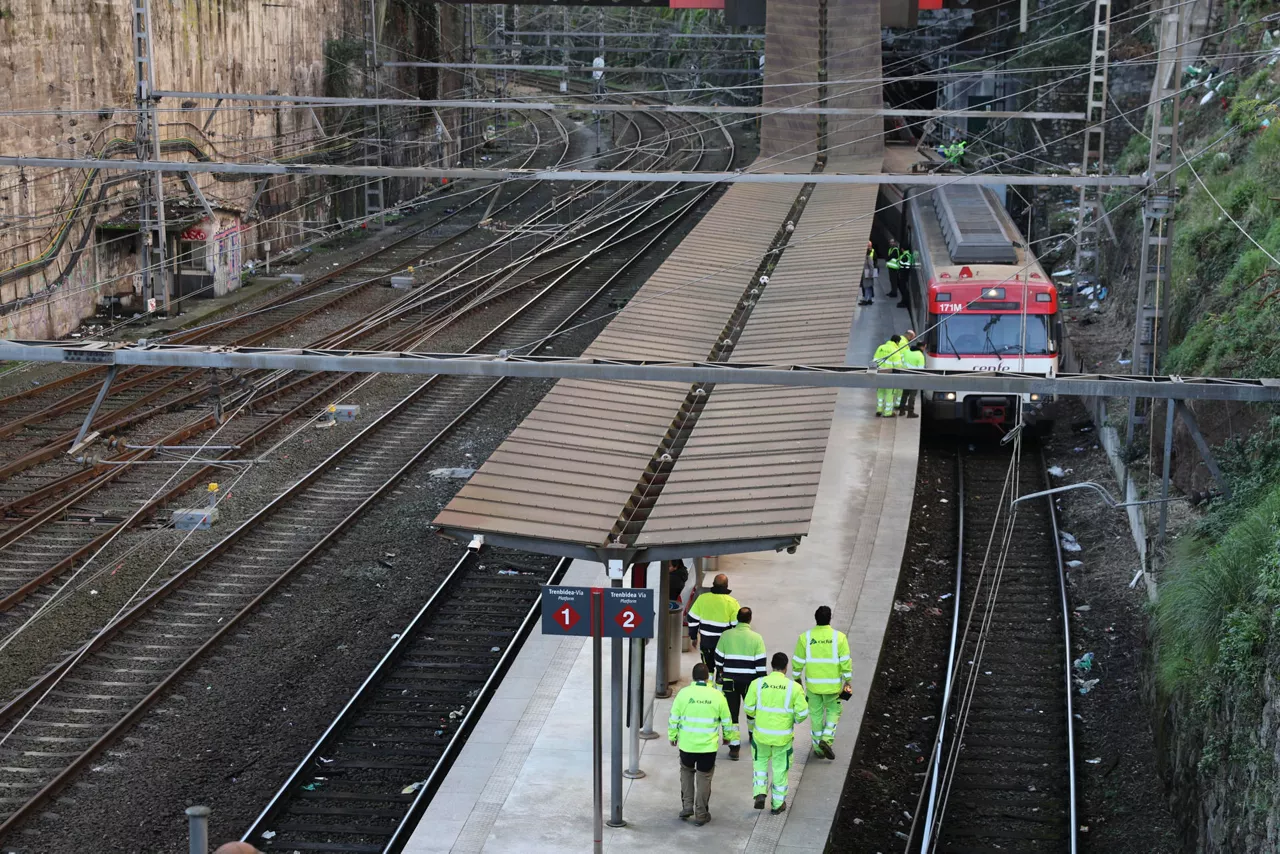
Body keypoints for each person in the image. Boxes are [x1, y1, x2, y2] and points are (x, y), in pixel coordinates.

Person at [669, 662, 738, 826]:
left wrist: (673, 736)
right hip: (708, 748)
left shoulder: (683, 694)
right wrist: (728, 737)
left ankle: (687, 807)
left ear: (693, 677)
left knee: (686, 772)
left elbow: (674, 718)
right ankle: (701, 813)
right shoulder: (717, 696)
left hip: (687, 745)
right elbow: (728, 721)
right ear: (707, 678)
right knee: (704, 777)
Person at [744, 652, 809, 814]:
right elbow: (802, 714)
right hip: (782, 738)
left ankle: (760, 792)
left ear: (771, 665)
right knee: (780, 769)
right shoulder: (794, 688)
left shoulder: (757, 684)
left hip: (761, 736)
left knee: (760, 764)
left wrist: (761, 717)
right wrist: (791, 720)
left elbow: (748, 708)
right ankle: (777, 804)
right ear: (786, 668)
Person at [793, 605, 852, 760]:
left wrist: (797, 678)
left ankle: (818, 750)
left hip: (813, 687)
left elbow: (797, 662)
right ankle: (827, 739)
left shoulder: (805, 638)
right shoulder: (839, 638)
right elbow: (845, 661)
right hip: (833, 687)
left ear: (816, 618)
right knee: (834, 712)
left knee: (816, 717)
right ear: (830, 618)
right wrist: (848, 680)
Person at [713, 606, 768, 761]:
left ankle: (734, 747)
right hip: (749, 682)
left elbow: (718, 660)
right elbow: (760, 666)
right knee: (751, 710)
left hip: (730, 681)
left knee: (732, 714)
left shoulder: (726, 635)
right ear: (750, 619)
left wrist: (723, 671)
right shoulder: (757, 638)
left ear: (737, 618)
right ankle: (752, 735)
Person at [687, 573, 740, 674]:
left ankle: (709, 685)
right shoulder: (732, 602)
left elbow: (692, 619)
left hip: (706, 642)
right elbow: (735, 625)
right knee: (722, 670)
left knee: (708, 668)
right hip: (724, 644)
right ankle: (719, 686)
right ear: (727, 585)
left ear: (713, 584)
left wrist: (693, 637)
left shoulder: (702, 599)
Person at [872, 335, 903, 417]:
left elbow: (874, 360)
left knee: (880, 392)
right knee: (890, 393)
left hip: (879, 373)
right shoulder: (895, 350)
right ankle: (888, 413)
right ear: (897, 342)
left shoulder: (880, 347)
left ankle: (879, 410)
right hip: (890, 375)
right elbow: (898, 365)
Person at [899, 338, 926, 418]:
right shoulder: (920, 356)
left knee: (904, 394)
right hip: (914, 377)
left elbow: (901, 361)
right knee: (912, 395)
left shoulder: (907, 351)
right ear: (923, 347)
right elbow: (921, 370)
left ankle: (901, 411)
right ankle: (910, 412)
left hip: (905, 375)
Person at [859, 241, 877, 306]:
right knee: (868, 287)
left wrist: (870, 274)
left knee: (867, 287)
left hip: (868, 275)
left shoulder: (868, 258)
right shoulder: (867, 257)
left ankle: (866, 300)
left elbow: (871, 266)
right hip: (866, 275)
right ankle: (869, 299)